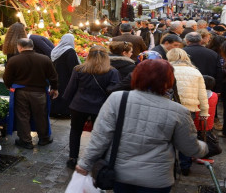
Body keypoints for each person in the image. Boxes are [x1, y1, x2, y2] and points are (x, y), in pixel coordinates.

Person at [75, 59, 208, 192]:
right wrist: (204, 147)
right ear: (169, 81)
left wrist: (85, 164)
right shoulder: (179, 111)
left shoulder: (118, 99)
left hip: (120, 174)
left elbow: (100, 136)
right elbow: (189, 148)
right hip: (156, 179)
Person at [63, 46, 120, 169]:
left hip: (79, 105)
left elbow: (70, 89)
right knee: (100, 134)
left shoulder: (79, 69)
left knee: (75, 131)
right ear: (106, 57)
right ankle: (97, 160)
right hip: (100, 107)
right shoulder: (112, 72)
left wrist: (67, 103)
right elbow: (113, 91)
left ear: (88, 56)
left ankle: (72, 158)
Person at [3, 38, 58, 149]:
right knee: (41, 115)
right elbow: (53, 76)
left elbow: (7, 78)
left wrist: (9, 87)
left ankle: (25, 140)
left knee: (22, 116)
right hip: (39, 92)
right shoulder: (44, 59)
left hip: (21, 92)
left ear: (19, 47)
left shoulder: (14, 60)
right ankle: (44, 138)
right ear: (32, 46)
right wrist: (55, 89)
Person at [167, 48, 209, 176]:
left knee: (168, 137)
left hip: (170, 107)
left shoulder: (166, 70)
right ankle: (185, 166)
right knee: (186, 138)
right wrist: (204, 112)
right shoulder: (195, 72)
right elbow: (202, 94)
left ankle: (170, 165)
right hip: (189, 110)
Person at [50, 34, 82, 117]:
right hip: (67, 77)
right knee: (65, 93)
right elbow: (73, 67)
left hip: (57, 76)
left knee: (56, 93)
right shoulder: (70, 51)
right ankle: (64, 112)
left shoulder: (56, 50)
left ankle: (54, 111)